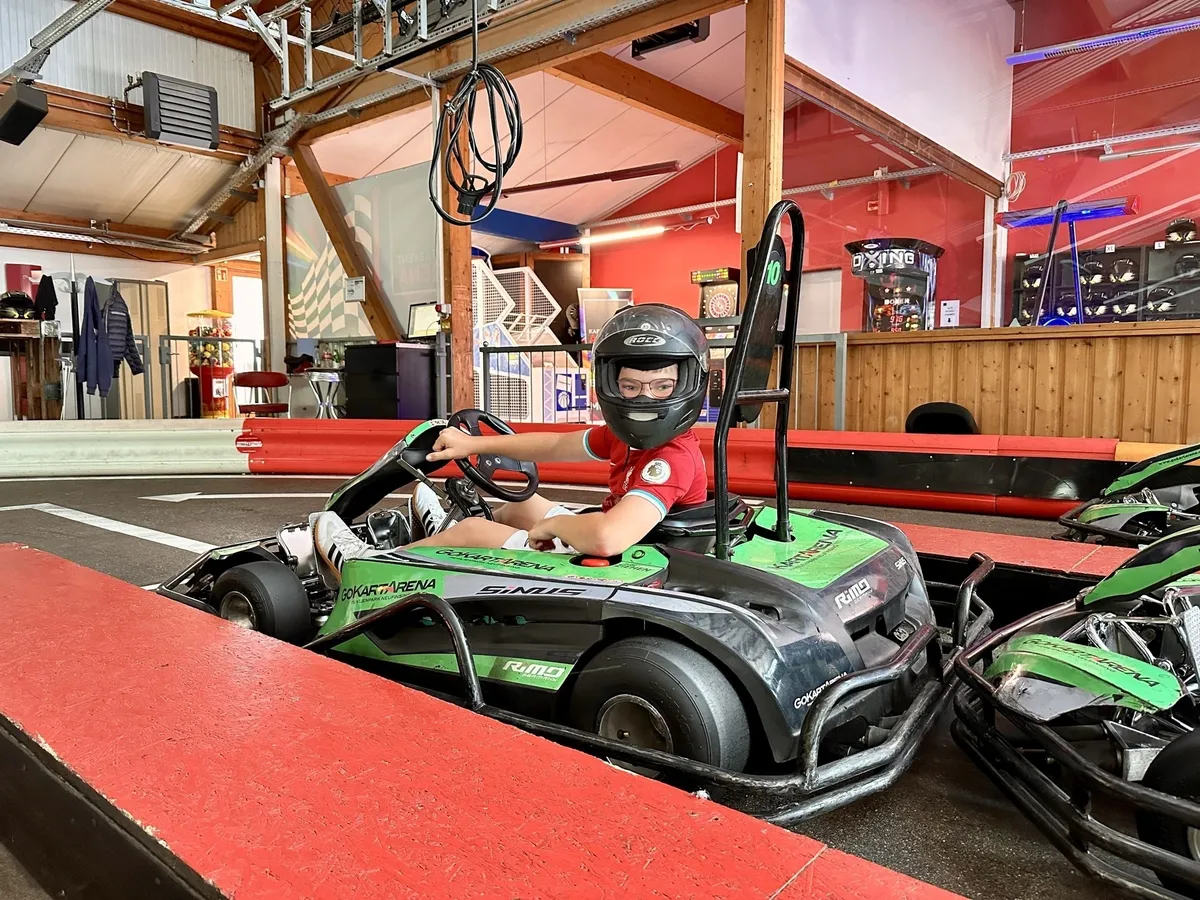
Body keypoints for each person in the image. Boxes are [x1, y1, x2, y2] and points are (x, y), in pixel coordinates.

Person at [405, 303, 711, 557]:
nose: (644, 398)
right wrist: (475, 445)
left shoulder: (672, 458)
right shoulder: (622, 437)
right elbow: (554, 445)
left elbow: (608, 538)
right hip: (623, 543)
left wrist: (558, 526)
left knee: (474, 532)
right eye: (630, 387)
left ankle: (372, 566)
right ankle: (444, 542)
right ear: (612, 385)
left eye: (662, 387)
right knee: (519, 508)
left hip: (631, 558)